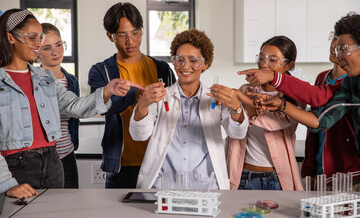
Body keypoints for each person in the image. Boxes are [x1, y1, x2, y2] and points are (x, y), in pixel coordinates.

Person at [0, 9, 141, 198]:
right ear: (10, 38)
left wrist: (108, 90)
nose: (38, 44)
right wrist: (6, 183)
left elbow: (74, 106)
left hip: (53, 162)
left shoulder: (45, 78)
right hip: (16, 167)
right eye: (32, 37)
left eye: (39, 37)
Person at [239, 13, 360, 188]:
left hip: (348, 172)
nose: (338, 54)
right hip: (327, 176)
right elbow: (320, 121)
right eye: (335, 44)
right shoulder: (351, 82)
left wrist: (273, 78)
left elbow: (314, 96)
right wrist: (281, 105)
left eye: (343, 49)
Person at [129, 28, 248, 190]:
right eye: (179, 59)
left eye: (193, 60)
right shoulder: (160, 97)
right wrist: (142, 105)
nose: (185, 66)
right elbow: (139, 135)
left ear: (205, 64)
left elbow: (237, 133)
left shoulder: (215, 99)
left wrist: (236, 107)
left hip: (206, 187)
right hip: (164, 186)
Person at [88, 2, 175, 188]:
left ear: (142, 31)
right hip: (121, 165)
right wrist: (137, 97)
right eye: (122, 35)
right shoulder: (101, 71)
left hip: (160, 163)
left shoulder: (162, 69)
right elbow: (100, 106)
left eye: (135, 33)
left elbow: (174, 109)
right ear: (110, 36)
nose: (130, 41)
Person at [227, 36, 304, 191]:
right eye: (261, 58)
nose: (264, 64)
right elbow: (235, 126)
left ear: (289, 64)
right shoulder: (246, 90)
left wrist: (240, 98)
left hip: (276, 179)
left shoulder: (296, 97)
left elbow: (272, 122)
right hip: (243, 176)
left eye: (272, 60)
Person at [37, 23, 81, 188]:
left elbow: (75, 114)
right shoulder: (34, 80)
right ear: (38, 52)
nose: (55, 52)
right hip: (44, 157)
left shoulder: (72, 80)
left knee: (71, 207)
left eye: (58, 45)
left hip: (68, 153)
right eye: (47, 48)